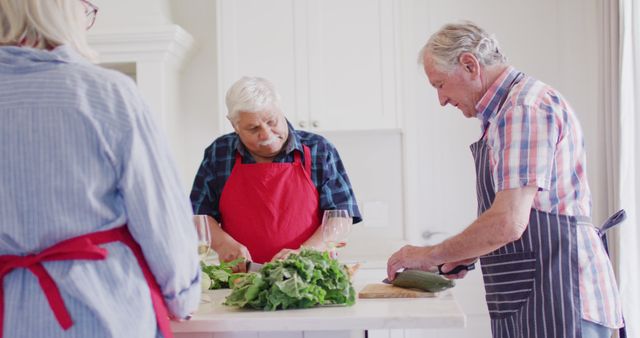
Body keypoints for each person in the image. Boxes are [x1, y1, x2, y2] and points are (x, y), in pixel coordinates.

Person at [386, 21, 625, 338]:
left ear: (470, 65)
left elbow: (508, 222)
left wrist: (428, 254)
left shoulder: (523, 109)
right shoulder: (505, 114)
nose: (441, 100)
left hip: (561, 297)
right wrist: (454, 258)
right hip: (541, 297)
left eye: (440, 84)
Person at [0, 1, 200, 337]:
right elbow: (159, 214)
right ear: (64, 15)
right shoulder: (107, 93)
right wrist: (183, 295)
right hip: (102, 311)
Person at [190, 76, 362, 269]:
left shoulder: (319, 150)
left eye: (271, 122)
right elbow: (199, 215)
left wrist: (305, 253)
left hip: (310, 276)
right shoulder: (219, 153)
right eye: (253, 128)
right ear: (235, 126)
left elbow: (341, 214)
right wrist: (222, 244)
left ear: (280, 111)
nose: (266, 134)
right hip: (241, 278)